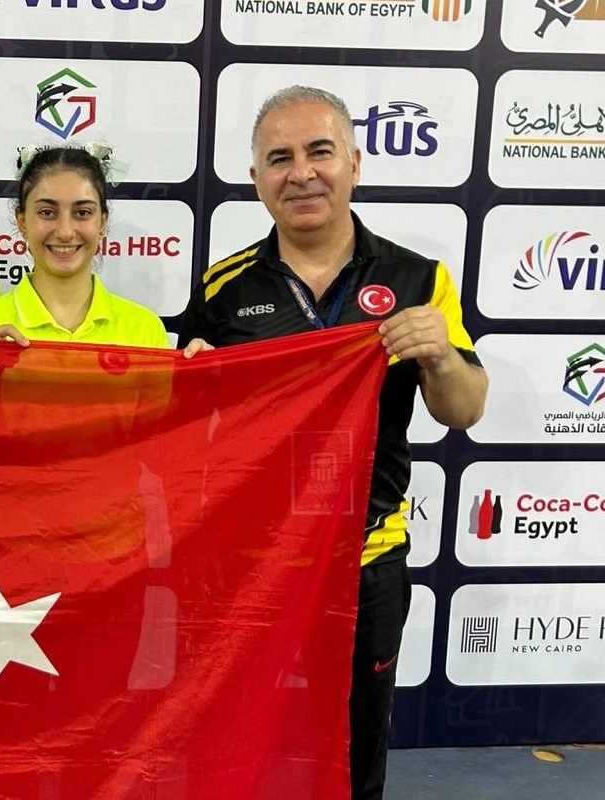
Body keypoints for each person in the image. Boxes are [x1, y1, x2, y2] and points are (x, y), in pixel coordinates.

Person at [179, 85, 487, 800]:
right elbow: (193, 437)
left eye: (319, 152)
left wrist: (441, 355)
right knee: (242, 741)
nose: (301, 173)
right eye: (278, 158)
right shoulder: (222, 289)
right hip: (255, 563)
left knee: (355, 750)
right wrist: (192, 388)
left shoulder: (418, 279)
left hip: (367, 558)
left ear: (354, 162)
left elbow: (465, 410)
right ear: (255, 178)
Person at [0, 144, 169, 349]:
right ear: (22, 222)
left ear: (102, 223)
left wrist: (190, 369)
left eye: (82, 213)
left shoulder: (145, 331)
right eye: (47, 213)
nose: (65, 232)